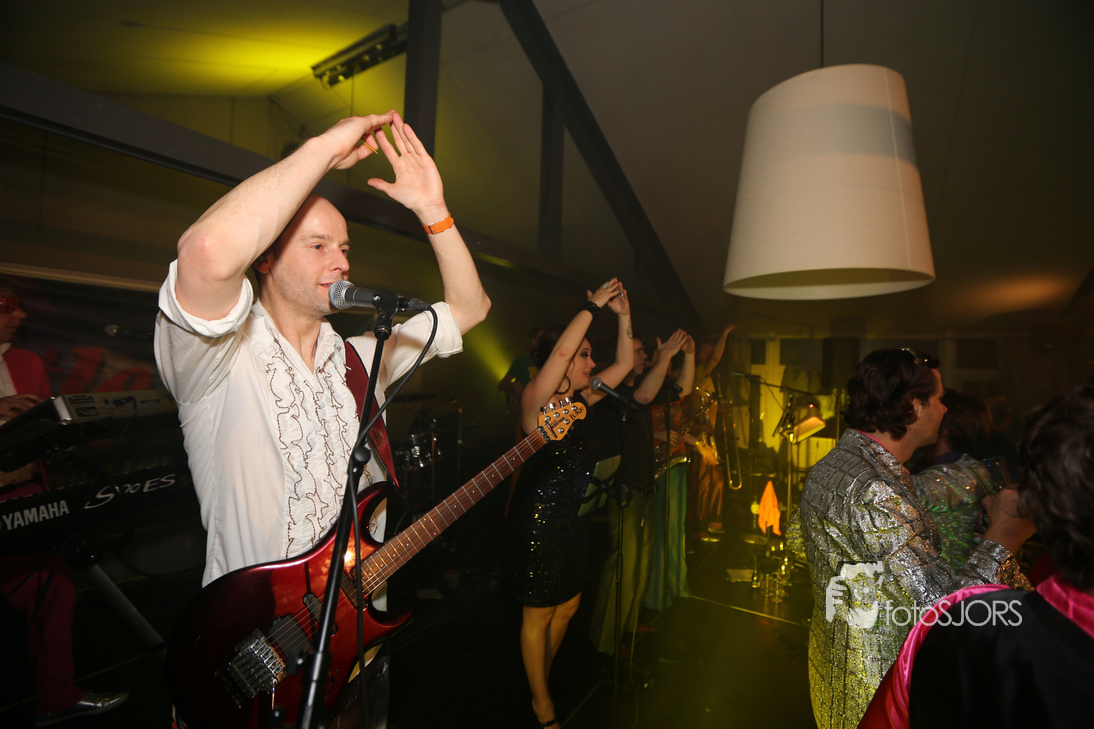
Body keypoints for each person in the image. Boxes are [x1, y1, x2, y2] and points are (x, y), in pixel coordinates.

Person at [153, 112, 490, 725]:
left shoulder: (362, 359)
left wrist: (433, 209)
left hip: (357, 652)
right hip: (248, 657)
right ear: (264, 257)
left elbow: (469, 308)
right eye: (317, 246)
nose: (340, 262)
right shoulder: (216, 359)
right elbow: (204, 253)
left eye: (344, 248)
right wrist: (323, 150)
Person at [788, 348, 1035, 729]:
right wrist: (1003, 536)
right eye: (939, 399)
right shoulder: (877, 489)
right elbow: (947, 616)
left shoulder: (836, 462)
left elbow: (797, 540)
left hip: (833, 670)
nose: (945, 409)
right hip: (877, 692)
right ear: (912, 406)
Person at [859, 375, 1094, 729]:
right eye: (938, 400)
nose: (941, 409)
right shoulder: (972, 471)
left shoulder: (945, 479)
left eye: (942, 403)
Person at [504, 278, 633, 729]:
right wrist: (591, 305)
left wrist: (624, 316)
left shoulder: (581, 401)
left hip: (573, 519)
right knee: (539, 612)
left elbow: (626, 363)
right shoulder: (536, 402)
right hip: (539, 522)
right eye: (585, 355)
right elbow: (561, 352)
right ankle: (543, 706)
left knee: (569, 606)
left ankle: (538, 678)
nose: (591, 363)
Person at [0, 277, 128, 726]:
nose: (21, 315)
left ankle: (55, 698)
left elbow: (41, 434)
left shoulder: (26, 361)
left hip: (23, 497)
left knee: (53, 592)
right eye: (8, 305)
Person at [586, 330, 690, 658]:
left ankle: (628, 625)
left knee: (641, 565)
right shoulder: (610, 390)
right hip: (623, 489)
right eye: (639, 351)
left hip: (644, 485)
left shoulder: (638, 386)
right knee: (623, 567)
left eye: (645, 351)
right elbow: (643, 396)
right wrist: (665, 355)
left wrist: (688, 354)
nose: (643, 356)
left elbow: (683, 389)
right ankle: (605, 641)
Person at [909, 389, 994, 568]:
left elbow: (894, 492)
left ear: (944, 429)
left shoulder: (962, 475)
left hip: (950, 580)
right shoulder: (926, 464)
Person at [642, 335, 696, 612]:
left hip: (674, 462)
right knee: (657, 533)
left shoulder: (667, 386)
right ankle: (655, 595)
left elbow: (685, 387)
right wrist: (658, 433)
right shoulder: (639, 386)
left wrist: (690, 354)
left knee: (674, 530)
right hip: (651, 466)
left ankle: (675, 585)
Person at [685, 324, 735, 543]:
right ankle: (699, 529)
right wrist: (724, 334)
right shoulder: (698, 371)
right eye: (705, 350)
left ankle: (713, 523)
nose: (709, 354)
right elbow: (716, 358)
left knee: (717, 481)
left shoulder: (708, 377)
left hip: (710, 433)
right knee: (703, 483)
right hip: (699, 434)